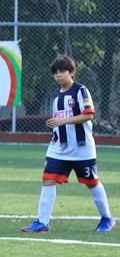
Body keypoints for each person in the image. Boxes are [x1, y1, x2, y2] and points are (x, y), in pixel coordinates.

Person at [21, 54, 114, 234]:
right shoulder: (56, 95)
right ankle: (42, 222)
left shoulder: (81, 91)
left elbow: (89, 114)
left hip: (82, 149)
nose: (58, 75)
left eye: (62, 71)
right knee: (48, 180)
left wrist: (63, 122)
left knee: (92, 182)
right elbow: (60, 120)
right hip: (59, 148)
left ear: (71, 72)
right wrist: (56, 125)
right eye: (55, 72)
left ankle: (107, 218)